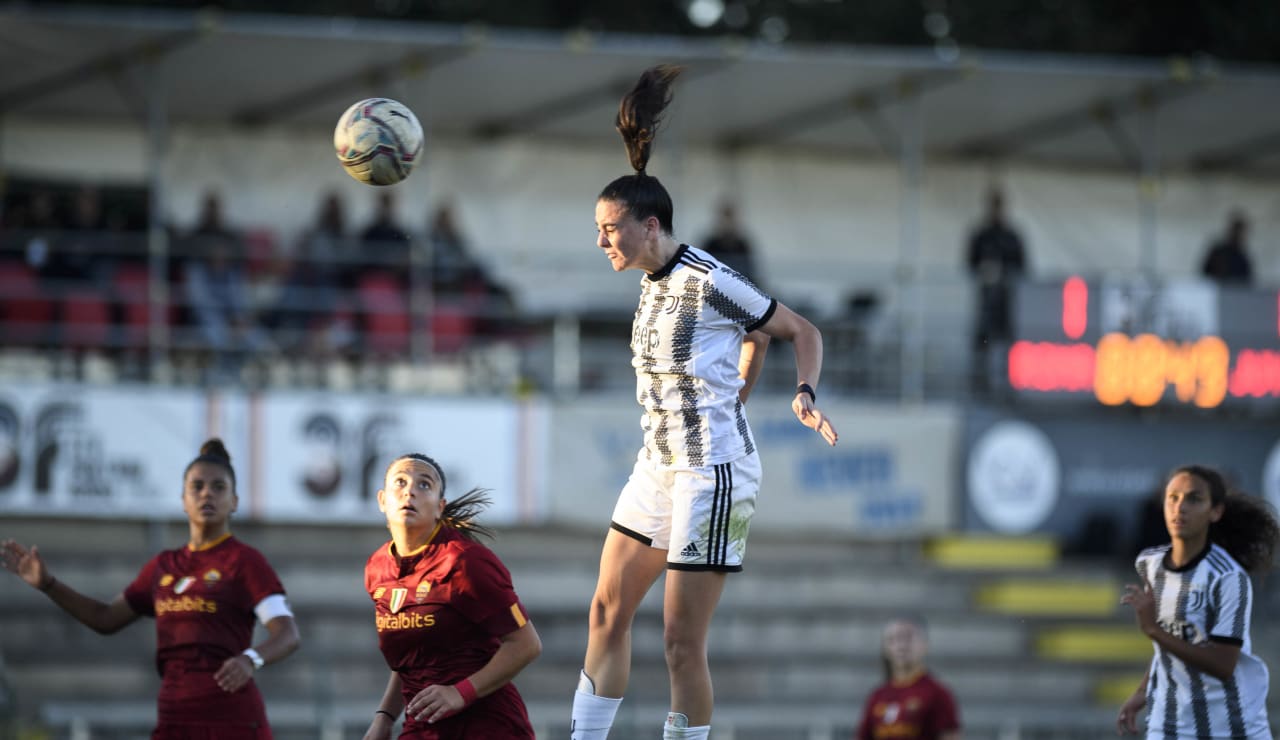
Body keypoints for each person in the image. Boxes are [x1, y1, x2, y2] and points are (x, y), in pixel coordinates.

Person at [569, 64, 839, 740]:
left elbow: (795, 329)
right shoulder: (651, 280)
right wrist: (743, 380)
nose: (601, 240)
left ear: (650, 225)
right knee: (606, 613)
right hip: (656, 466)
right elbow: (752, 343)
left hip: (714, 472)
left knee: (681, 645)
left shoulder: (710, 278)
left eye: (610, 229)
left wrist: (804, 394)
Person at [1, 438, 301, 739]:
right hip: (174, 721)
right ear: (183, 499)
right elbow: (105, 618)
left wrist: (250, 659)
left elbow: (288, 634)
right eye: (197, 486)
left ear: (234, 501)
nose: (207, 493)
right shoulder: (163, 566)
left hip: (231, 723)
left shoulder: (244, 561)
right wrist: (48, 584)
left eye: (219, 487)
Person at [362, 453, 541, 740]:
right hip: (422, 724)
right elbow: (411, 657)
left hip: (487, 725)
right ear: (382, 500)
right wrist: (384, 717)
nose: (409, 491)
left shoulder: (465, 562)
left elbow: (527, 644)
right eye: (400, 482)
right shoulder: (377, 567)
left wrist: (460, 693)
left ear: (439, 507)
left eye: (424, 485)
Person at [1116, 465, 1280, 738]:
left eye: (1194, 499)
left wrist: (1153, 630)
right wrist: (1142, 692)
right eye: (1174, 498)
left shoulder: (1228, 577)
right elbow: (1170, 641)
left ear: (1215, 512)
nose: (1180, 507)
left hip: (1229, 727)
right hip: (1167, 725)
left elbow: (1223, 665)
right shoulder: (1150, 564)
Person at [856, 616, 961, 740]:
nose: (901, 646)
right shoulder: (877, 696)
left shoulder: (938, 694)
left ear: (925, 645)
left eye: (908, 638)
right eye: (893, 639)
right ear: (884, 648)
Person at [965, 187, 1026, 394]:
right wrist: (985, 271)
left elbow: (1023, 267)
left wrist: (1005, 274)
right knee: (983, 340)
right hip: (986, 299)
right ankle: (981, 384)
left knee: (1008, 341)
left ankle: (1009, 384)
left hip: (1007, 299)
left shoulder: (1012, 236)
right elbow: (970, 264)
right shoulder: (981, 235)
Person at [700, 200, 760, 287]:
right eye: (724, 218)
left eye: (730, 218)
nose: (727, 222)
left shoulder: (742, 244)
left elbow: (751, 272)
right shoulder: (710, 244)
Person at [1200, 211, 1253, 285]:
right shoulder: (1218, 253)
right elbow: (1204, 274)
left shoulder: (1242, 258)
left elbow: (1247, 280)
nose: (1238, 236)